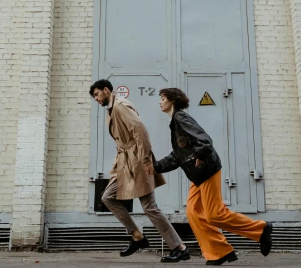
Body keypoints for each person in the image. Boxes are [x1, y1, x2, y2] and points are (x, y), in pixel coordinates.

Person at [152, 88, 272, 266]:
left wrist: (200, 155)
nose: (160, 102)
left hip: (206, 169)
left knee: (215, 214)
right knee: (193, 213)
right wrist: (156, 167)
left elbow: (205, 141)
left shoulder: (181, 118)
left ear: (172, 100)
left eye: (162, 98)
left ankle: (261, 230)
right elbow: (178, 155)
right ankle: (219, 252)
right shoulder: (175, 122)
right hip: (197, 175)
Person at [90, 79, 190, 263]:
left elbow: (140, 132)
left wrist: (145, 160)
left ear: (106, 90)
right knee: (107, 197)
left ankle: (179, 247)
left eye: (97, 94)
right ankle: (137, 236)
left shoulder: (120, 106)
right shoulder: (113, 108)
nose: (95, 98)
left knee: (149, 207)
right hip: (126, 162)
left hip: (137, 161)